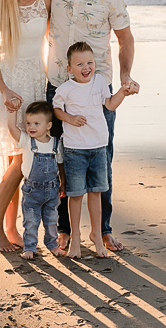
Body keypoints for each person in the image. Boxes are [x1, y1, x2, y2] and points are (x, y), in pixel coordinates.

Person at [46, 0, 140, 252]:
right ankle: (64, 231)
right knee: (59, 160)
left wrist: (125, 76)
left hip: (97, 90)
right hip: (57, 86)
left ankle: (102, 231)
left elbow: (126, 40)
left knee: (102, 157)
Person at [0, 0, 51, 252]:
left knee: (21, 158)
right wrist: (5, 90)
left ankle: (10, 227)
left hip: (36, 82)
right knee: (21, 157)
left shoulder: (45, 1)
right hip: (7, 85)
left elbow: (57, 40)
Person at [53, 41, 130, 258]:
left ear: (95, 64)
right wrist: (70, 118)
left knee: (96, 192)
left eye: (90, 62)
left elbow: (110, 105)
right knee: (75, 195)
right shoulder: (65, 89)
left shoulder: (100, 82)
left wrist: (123, 92)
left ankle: (97, 235)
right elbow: (56, 110)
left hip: (98, 148)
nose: (85, 67)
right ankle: (75, 237)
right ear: (69, 69)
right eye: (79, 64)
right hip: (75, 150)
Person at [5, 101, 65, 259]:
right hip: (32, 191)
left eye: (37, 123)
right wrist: (12, 111)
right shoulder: (26, 141)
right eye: (28, 123)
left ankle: (52, 244)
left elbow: (60, 164)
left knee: (52, 220)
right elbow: (12, 128)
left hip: (52, 190)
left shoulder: (55, 144)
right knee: (30, 221)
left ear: (48, 125)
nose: (31, 127)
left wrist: (63, 182)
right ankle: (30, 247)